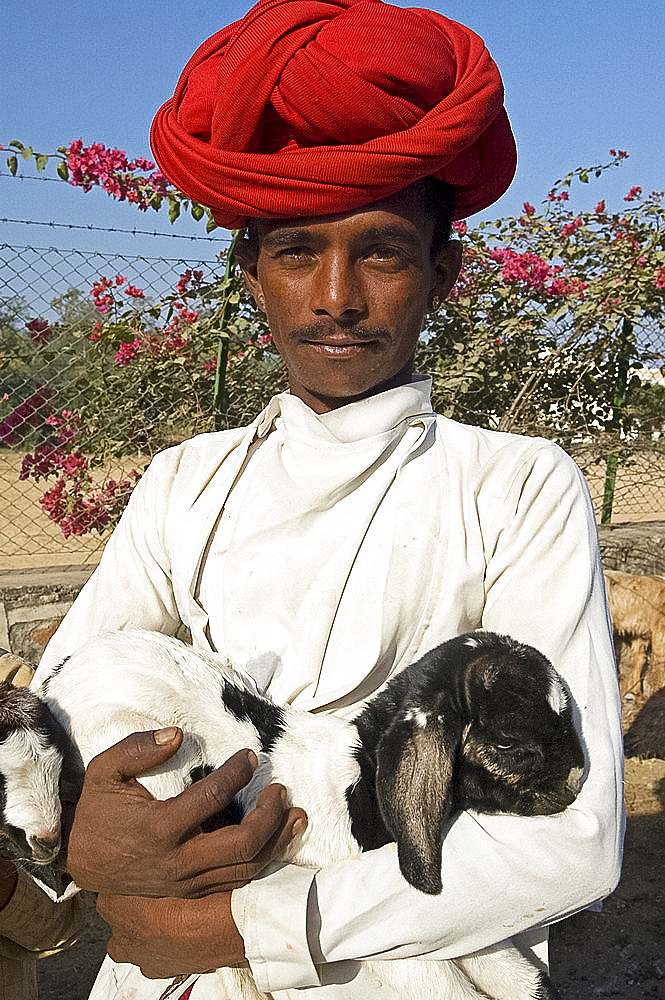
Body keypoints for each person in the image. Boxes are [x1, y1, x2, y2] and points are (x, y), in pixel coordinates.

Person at [24, 1, 624, 997]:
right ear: (249, 274)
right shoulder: (186, 482)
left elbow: (571, 838)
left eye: (382, 253)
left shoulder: (515, 484)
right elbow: (53, 730)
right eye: (296, 251)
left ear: (441, 275)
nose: (335, 295)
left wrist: (243, 926)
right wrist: (86, 834)